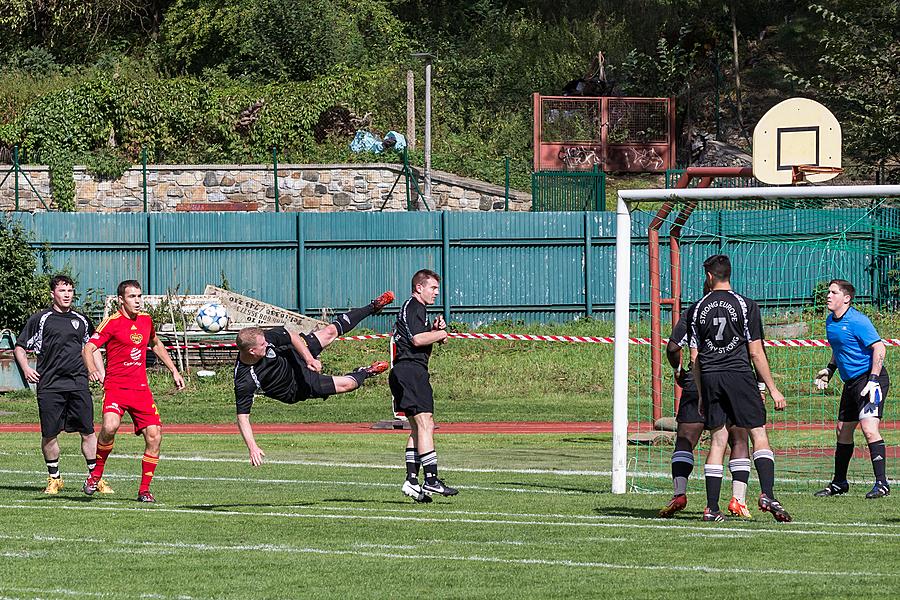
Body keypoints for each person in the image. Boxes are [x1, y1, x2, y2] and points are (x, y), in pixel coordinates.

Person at [233, 291, 395, 466]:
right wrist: (253, 447)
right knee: (349, 384)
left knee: (330, 331)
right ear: (251, 351)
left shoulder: (264, 338)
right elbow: (243, 417)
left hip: (293, 357)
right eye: (263, 345)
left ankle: (373, 307)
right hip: (295, 386)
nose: (267, 343)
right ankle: (366, 372)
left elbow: (292, 336)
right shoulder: (244, 379)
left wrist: (309, 358)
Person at [688, 254, 792, 522]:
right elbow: (756, 352)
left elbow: (694, 358)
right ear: (727, 274)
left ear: (709, 276)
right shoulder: (746, 305)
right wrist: (772, 388)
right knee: (758, 433)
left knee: (718, 440)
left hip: (710, 376)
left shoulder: (697, 308)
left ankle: (712, 508)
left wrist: (700, 393)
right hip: (738, 375)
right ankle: (767, 493)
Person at [81, 280, 185, 503]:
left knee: (155, 436)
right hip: (116, 388)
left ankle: (144, 490)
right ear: (121, 300)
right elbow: (88, 348)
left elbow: (155, 344)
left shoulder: (146, 320)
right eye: (132, 297)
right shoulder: (112, 322)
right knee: (109, 427)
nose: (137, 301)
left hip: (140, 390)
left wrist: (174, 370)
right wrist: (91, 370)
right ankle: (95, 475)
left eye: (139, 296)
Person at [14, 274, 113, 495]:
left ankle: (95, 479)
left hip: (78, 383)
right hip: (49, 384)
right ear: (53, 294)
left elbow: (92, 347)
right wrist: (26, 369)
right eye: (62, 291)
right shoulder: (41, 319)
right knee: (49, 434)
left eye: (70, 291)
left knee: (88, 432)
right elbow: (20, 347)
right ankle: (54, 478)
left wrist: (100, 371)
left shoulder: (82, 320)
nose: (67, 295)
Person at [658, 294, 754, 519]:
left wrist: (679, 370)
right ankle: (738, 500)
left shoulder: (694, 311)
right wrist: (759, 385)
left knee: (685, 440)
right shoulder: (741, 309)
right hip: (733, 381)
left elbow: (673, 347)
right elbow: (754, 350)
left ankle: (679, 493)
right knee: (738, 439)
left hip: (698, 380)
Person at [813, 279, 890, 499]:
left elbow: (879, 348)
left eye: (833, 292)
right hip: (851, 383)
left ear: (846, 298)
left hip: (870, 380)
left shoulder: (858, 320)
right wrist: (829, 370)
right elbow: (840, 350)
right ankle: (839, 483)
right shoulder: (830, 321)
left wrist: (873, 379)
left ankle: (882, 484)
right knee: (842, 430)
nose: (828, 296)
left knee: (868, 428)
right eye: (828, 292)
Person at [392, 269, 457, 503]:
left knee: (418, 428)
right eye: (433, 288)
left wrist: (435, 331)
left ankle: (411, 481)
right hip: (411, 370)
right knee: (426, 423)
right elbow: (417, 340)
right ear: (419, 287)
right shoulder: (414, 306)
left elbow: (421, 336)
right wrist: (440, 334)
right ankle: (431, 480)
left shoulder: (419, 310)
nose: (436, 293)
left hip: (407, 371)